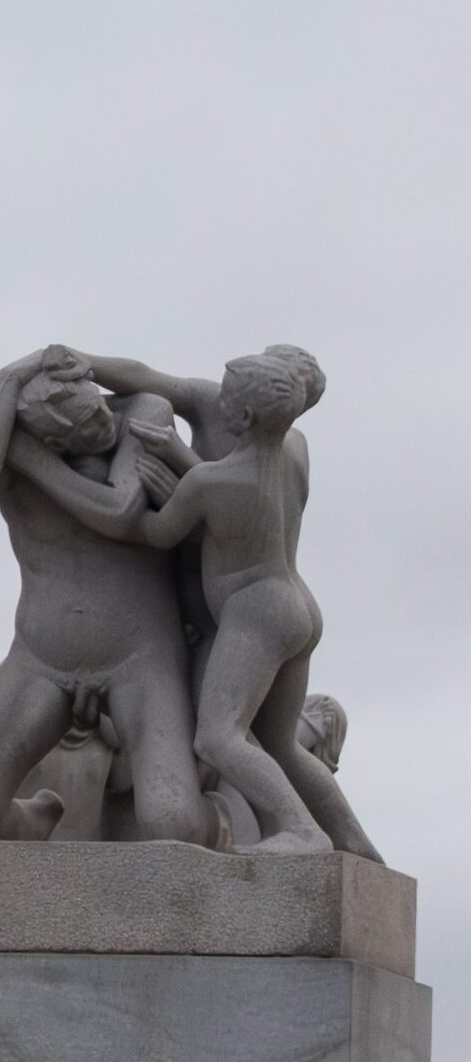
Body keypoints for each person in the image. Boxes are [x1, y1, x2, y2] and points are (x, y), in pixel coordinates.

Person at [28, 347, 380, 859]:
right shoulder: (293, 452)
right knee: (279, 743)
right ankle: (354, 842)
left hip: (251, 614)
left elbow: (152, 531)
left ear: (240, 416)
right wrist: (179, 456)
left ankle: (301, 831)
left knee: (218, 738)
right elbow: (243, 501)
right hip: (297, 606)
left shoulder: (208, 482)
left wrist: (167, 482)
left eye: (226, 398)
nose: (215, 400)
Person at [0, 346, 212, 846]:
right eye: (80, 431)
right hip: (42, 656)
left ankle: (226, 821)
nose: (100, 425)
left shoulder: (141, 414)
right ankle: (33, 819)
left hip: (140, 655)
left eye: (96, 408)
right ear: (50, 436)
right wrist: (8, 376)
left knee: (171, 824)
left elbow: (122, 509)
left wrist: (33, 462)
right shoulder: (6, 447)